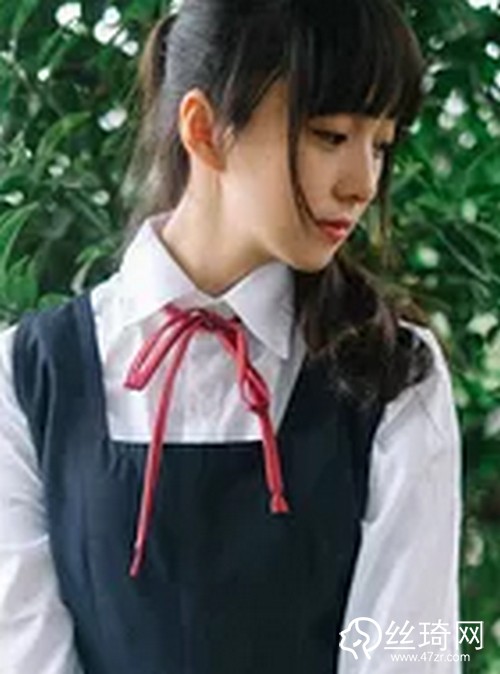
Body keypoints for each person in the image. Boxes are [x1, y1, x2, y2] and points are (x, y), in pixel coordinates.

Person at [0, 0, 463, 672]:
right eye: (330, 135)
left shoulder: (393, 374)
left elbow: (409, 652)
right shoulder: (26, 374)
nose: (363, 183)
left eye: (381, 144)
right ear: (204, 128)